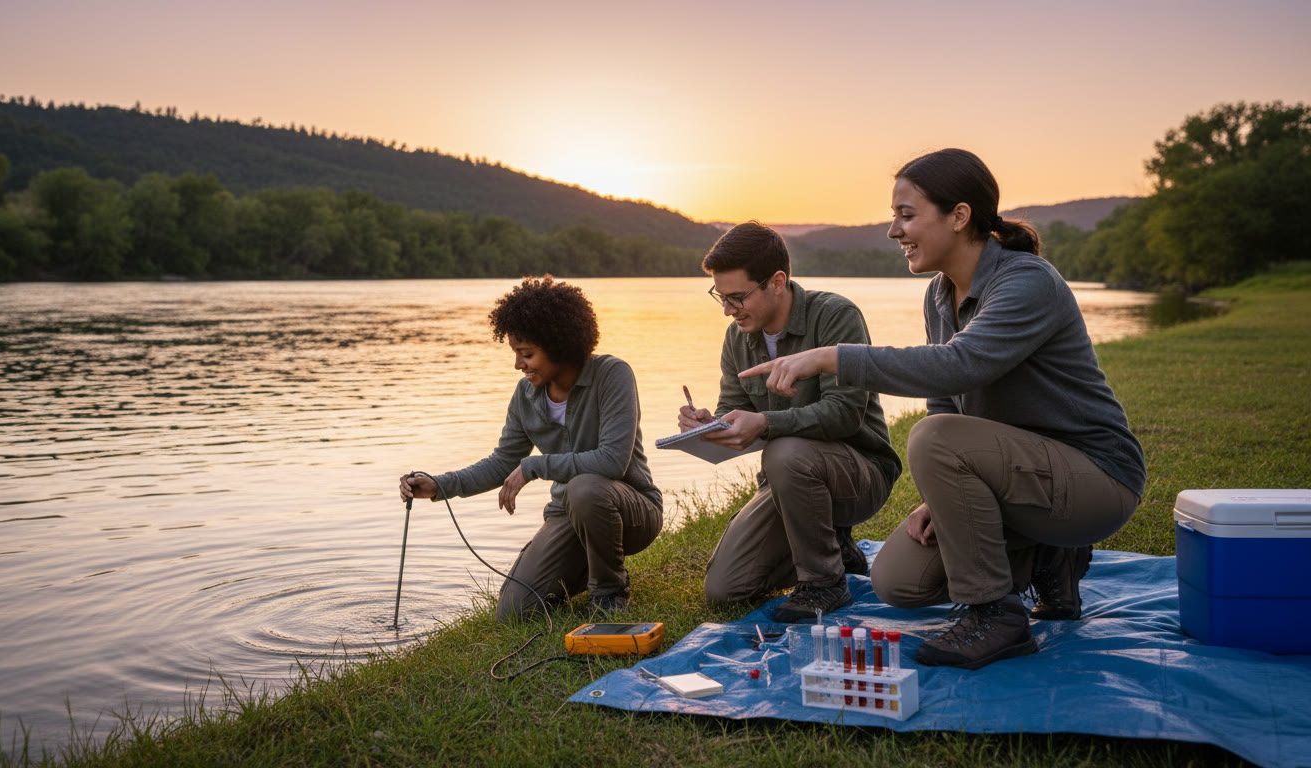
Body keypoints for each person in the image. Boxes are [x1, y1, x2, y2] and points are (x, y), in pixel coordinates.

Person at [741, 149, 1146, 669]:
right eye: (894, 216)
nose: (893, 231)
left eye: (907, 215)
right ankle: (1050, 559)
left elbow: (960, 366)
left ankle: (996, 615)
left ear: (960, 216)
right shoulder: (939, 294)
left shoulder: (1026, 282)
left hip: (1097, 479)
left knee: (931, 436)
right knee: (897, 582)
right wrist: (947, 495)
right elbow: (944, 402)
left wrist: (829, 357)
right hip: (1018, 476)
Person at [399, 276, 662, 621]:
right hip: (568, 514)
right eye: (517, 355)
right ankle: (584, 566)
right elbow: (502, 462)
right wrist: (440, 485)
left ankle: (610, 591)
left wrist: (535, 466)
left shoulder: (612, 375)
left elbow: (612, 462)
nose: (518, 365)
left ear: (559, 344)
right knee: (513, 613)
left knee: (585, 488)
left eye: (527, 354)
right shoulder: (525, 396)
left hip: (631, 510)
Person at [678, 222, 901, 623]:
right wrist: (709, 425)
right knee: (725, 589)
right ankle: (832, 544)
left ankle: (824, 582)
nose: (728, 310)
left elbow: (845, 414)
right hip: (791, 482)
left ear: (777, 282)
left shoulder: (835, 316)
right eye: (720, 297)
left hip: (861, 472)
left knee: (785, 450)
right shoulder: (737, 338)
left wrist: (764, 422)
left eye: (736, 297)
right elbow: (735, 408)